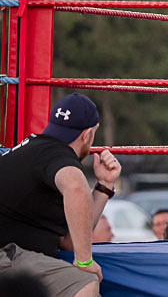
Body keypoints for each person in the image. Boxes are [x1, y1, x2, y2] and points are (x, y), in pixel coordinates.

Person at [0, 94, 121, 297]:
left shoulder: (37, 150)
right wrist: (85, 262)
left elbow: (70, 241)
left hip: (12, 254)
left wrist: (104, 186)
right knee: (85, 284)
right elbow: (76, 187)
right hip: (7, 255)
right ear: (87, 135)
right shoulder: (59, 156)